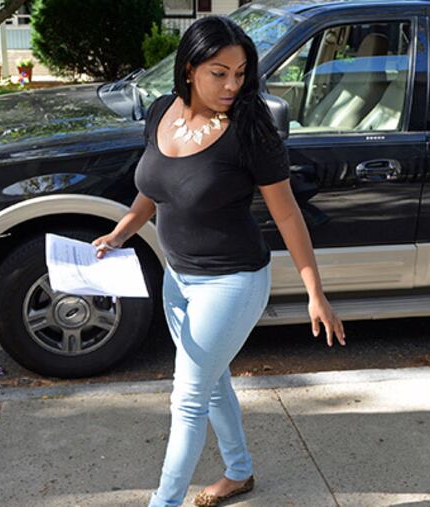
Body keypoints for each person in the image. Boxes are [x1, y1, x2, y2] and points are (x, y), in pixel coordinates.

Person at [91, 15, 345, 507]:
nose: (233, 85)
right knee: (210, 381)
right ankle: (240, 471)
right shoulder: (162, 112)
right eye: (219, 72)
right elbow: (154, 189)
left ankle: (162, 503)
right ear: (188, 69)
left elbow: (289, 216)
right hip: (177, 277)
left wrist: (316, 292)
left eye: (241, 73)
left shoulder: (252, 133)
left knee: (187, 397)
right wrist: (122, 232)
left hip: (232, 282)